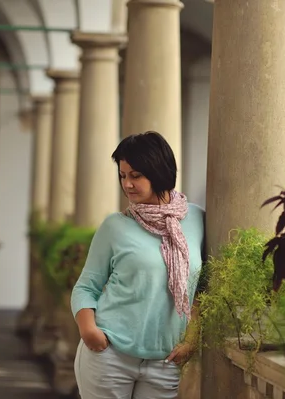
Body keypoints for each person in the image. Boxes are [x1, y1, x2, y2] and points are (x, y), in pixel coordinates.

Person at [71, 131, 205, 399]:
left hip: (164, 363)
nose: (127, 185)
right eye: (123, 176)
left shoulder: (196, 220)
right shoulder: (115, 227)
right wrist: (89, 331)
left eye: (135, 176)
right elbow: (87, 286)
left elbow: (201, 289)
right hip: (110, 357)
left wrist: (192, 340)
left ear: (159, 172)